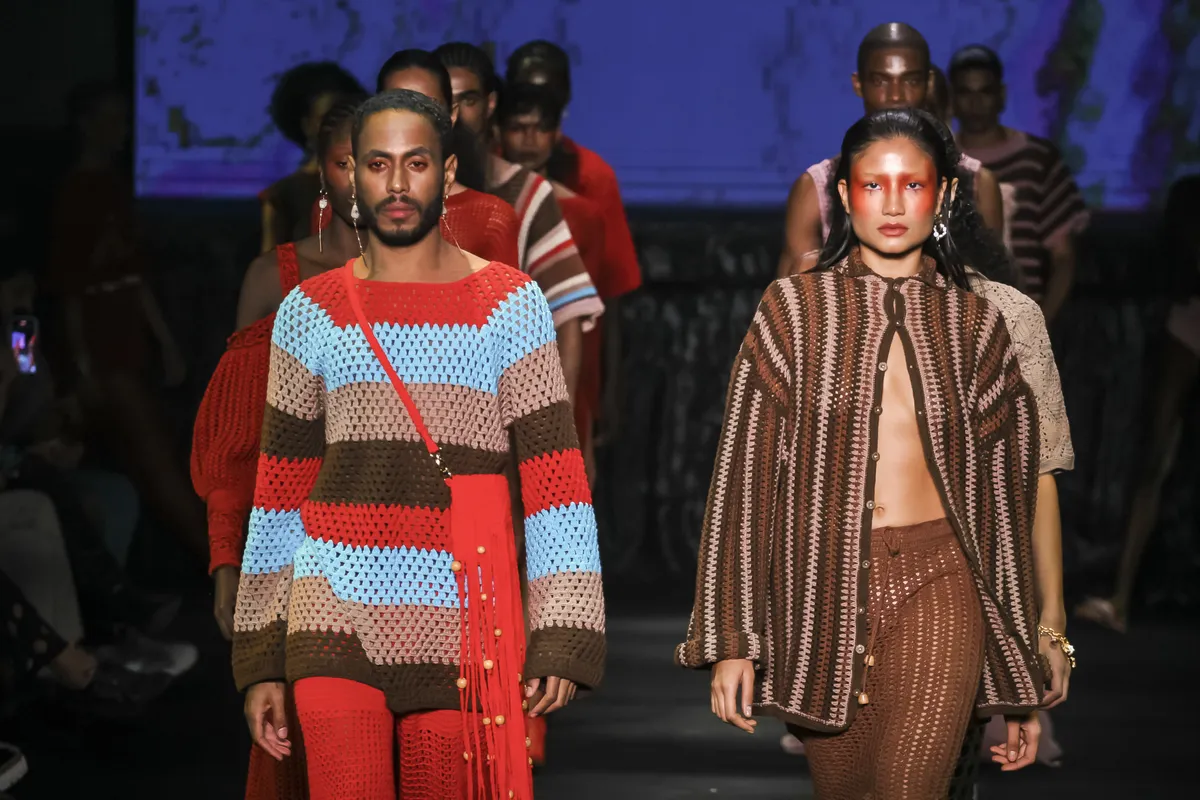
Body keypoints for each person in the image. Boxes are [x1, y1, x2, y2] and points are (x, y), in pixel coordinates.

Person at [233, 90, 605, 800]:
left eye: (417, 163)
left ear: (449, 171)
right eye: (377, 164)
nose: (397, 183)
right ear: (349, 175)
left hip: (462, 616)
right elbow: (280, 490)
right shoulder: (309, 311)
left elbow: (554, 479)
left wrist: (563, 629)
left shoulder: (510, 303)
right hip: (332, 607)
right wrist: (261, 658)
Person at [678, 109, 1044, 798]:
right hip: (820, 588)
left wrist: (1019, 671)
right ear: (845, 195)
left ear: (943, 194)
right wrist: (732, 640)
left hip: (944, 580)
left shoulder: (977, 324)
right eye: (874, 185)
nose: (894, 203)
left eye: (914, 184)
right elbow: (745, 479)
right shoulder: (792, 311)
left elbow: (1004, 505)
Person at [45, 83, 208, 560]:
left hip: (126, 331)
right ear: (85, 125)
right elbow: (69, 287)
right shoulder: (74, 192)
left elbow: (134, 277)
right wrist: (80, 366)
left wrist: (165, 342)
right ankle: (219, 564)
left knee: (154, 451)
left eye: (121, 119)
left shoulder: (112, 187)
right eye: (108, 119)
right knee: (149, 453)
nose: (118, 130)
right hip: (101, 337)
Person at [433, 42, 605, 403]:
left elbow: (568, 310)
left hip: (506, 403)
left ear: (490, 104)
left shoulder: (527, 193)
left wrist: (559, 418)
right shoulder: (402, 196)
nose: (454, 114)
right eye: (442, 100)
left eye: (468, 100)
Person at [495, 82, 641, 482]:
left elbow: (588, 318)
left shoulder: (582, 214)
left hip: (563, 371)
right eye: (517, 128)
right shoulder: (481, 207)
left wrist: (593, 404)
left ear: (557, 133)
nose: (528, 140)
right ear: (498, 131)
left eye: (539, 128)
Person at [777, 23, 1005, 278]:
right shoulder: (816, 187)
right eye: (880, 81)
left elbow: (991, 284)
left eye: (911, 80)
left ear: (929, 83)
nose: (896, 96)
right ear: (858, 84)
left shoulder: (976, 182)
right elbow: (793, 290)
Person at [1076, 175, 1200, 632]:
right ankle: (1122, 598)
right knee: (1154, 462)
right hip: (1186, 321)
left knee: (1156, 463)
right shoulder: (1188, 196)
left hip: (1184, 321)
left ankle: (1122, 597)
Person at [951, 45, 1090, 320]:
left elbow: (1063, 257)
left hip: (1024, 316)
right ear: (952, 99)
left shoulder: (1037, 159)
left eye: (985, 92)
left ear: (1001, 95)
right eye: (965, 93)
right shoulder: (937, 161)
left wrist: (1041, 325)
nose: (975, 103)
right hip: (956, 320)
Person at [504, 41, 642, 314]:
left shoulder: (593, 176)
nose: (536, 106)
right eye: (526, 94)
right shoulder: (482, 170)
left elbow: (612, 287)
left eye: (547, 98)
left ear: (565, 100)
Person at [374, 49, 521, 269]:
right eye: (396, 107)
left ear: (452, 115)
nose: (411, 121)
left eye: (427, 107)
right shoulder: (349, 209)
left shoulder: (490, 218)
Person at [259, 62, 366, 252]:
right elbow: (272, 261)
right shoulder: (283, 196)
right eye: (326, 119)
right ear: (306, 125)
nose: (339, 126)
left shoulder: (372, 181)